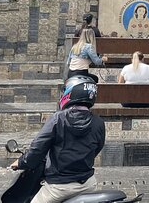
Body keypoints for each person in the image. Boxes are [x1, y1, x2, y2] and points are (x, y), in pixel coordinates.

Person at [11, 75, 105, 203]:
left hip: (59, 187)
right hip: (88, 184)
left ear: (69, 93)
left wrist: (21, 162)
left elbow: (38, 148)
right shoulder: (98, 122)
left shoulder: (58, 119)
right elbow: (97, 148)